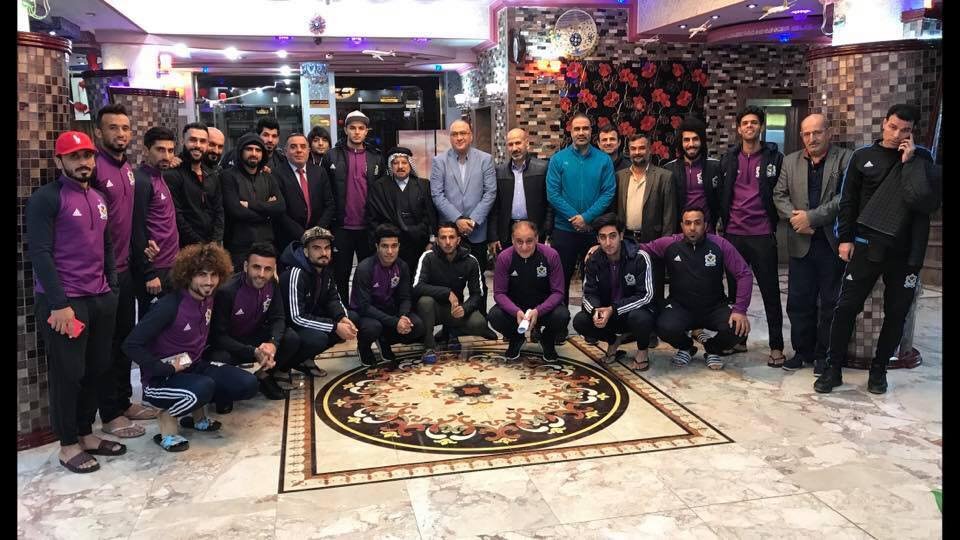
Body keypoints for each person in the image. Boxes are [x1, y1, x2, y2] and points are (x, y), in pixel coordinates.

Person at [815, 104, 941, 395]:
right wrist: (845, 239)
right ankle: (833, 369)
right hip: (866, 245)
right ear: (884, 123)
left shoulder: (922, 158)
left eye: (905, 130)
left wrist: (909, 162)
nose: (897, 135)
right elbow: (848, 201)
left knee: (896, 313)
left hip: (905, 252)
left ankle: (879, 370)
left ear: (913, 131)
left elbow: (926, 203)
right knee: (846, 307)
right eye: (893, 127)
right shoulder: (863, 157)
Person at [28, 131, 123, 473]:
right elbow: (40, 253)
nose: (84, 162)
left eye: (88, 155)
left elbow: (107, 246)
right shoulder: (46, 199)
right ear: (60, 161)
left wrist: (111, 288)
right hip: (65, 303)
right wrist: (58, 303)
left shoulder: (98, 196)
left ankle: (86, 433)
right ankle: (68, 444)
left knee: (97, 367)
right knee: (69, 374)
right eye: (75, 157)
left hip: (99, 297)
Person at [123, 243, 258, 452]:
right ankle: (166, 421)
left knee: (247, 383)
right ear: (188, 276)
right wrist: (163, 368)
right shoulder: (169, 305)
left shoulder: (208, 298)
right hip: (160, 379)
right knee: (202, 388)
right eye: (202, 275)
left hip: (193, 367)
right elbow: (130, 344)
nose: (209, 281)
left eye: (214, 275)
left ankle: (197, 418)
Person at [90, 104, 156, 439]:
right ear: (98, 132)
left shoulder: (127, 168)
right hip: (102, 274)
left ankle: (124, 401)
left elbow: (129, 220)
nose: (120, 133)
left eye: (125, 128)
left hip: (126, 269)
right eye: (112, 127)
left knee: (124, 341)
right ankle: (110, 414)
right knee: (106, 346)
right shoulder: (94, 169)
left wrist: (142, 248)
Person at [772, 114, 853, 373]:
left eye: (817, 132)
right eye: (806, 134)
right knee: (799, 301)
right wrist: (797, 219)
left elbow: (845, 197)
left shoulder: (845, 159)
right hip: (800, 242)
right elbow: (779, 195)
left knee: (830, 302)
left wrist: (812, 218)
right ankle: (801, 351)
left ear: (828, 132)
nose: (812, 138)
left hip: (831, 243)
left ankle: (823, 355)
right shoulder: (790, 161)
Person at [637, 207, 753, 370]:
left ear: (705, 225)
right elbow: (641, 248)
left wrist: (740, 310)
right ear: (682, 226)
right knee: (663, 326)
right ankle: (686, 347)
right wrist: (607, 247)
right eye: (688, 223)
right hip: (680, 307)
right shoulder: (670, 243)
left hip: (714, 307)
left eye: (697, 223)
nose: (692, 228)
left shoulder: (720, 244)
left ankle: (712, 349)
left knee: (739, 328)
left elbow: (744, 274)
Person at [719, 105, 785, 366]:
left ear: (761, 127)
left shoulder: (774, 158)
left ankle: (776, 346)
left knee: (770, 292)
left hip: (762, 233)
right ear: (738, 128)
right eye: (745, 123)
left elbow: (780, 192)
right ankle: (739, 340)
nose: (749, 126)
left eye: (754, 123)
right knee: (736, 293)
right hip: (734, 233)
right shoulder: (728, 159)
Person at [546, 113, 617, 325]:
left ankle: (591, 324)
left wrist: (586, 217)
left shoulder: (603, 160)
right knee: (560, 280)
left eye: (585, 128)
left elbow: (608, 192)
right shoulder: (558, 159)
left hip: (593, 231)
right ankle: (559, 325)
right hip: (564, 230)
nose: (581, 133)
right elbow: (553, 194)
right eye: (577, 129)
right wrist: (574, 218)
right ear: (570, 131)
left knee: (595, 280)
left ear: (591, 131)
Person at [209, 243, 299, 401]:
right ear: (246, 266)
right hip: (230, 344)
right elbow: (218, 337)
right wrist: (252, 351)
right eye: (256, 267)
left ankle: (264, 375)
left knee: (291, 338)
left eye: (268, 269)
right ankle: (225, 391)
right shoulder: (227, 291)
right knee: (219, 358)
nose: (262, 274)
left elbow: (278, 318)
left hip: (254, 336)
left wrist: (272, 343)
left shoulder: (272, 283)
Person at [573, 214, 656, 371]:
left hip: (632, 312)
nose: (608, 242)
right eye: (603, 237)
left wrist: (614, 309)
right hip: (608, 313)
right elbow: (588, 294)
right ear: (597, 239)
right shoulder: (593, 259)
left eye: (612, 236)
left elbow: (646, 295)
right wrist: (596, 310)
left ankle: (642, 350)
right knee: (580, 320)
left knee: (641, 317)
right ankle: (613, 341)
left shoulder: (640, 257)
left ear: (621, 236)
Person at [413, 222, 495, 363]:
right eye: (443, 238)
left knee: (478, 323)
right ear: (437, 240)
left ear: (458, 240)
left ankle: (451, 333)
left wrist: (465, 308)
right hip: (433, 309)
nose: (447, 242)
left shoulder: (470, 260)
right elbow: (417, 286)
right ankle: (429, 345)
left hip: (455, 309)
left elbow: (477, 294)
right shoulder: (427, 257)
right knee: (425, 301)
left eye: (451, 237)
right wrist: (446, 293)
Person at [279, 226, 359, 371]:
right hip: (288, 327)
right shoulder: (295, 273)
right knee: (319, 339)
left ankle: (306, 358)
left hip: (309, 316)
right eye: (316, 248)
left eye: (327, 248)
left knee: (351, 318)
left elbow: (333, 298)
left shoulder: (325, 268)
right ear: (305, 251)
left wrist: (342, 318)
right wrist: (334, 326)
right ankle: (281, 367)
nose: (324, 253)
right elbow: (296, 317)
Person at [488, 221, 570, 361]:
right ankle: (516, 338)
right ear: (512, 240)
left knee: (562, 315)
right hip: (516, 307)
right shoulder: (504, 257)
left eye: (529, 241)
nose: (524, 247)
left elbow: (558, 292)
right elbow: (499, 293)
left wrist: (538, 311)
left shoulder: (551, 255)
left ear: (537, 239)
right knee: (494, 316)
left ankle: (547, 339)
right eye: (519, 242)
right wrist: (516, 311)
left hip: (543, 307)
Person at [324, 110, 383, 302]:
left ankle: (364, 310)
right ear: (346, 130)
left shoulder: (376, 157)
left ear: (366, 131)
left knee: (367, 275)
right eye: (353, 128)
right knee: (340, 274)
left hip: (368, 227)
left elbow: (381, 193)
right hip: (341, 227)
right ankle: (343, 312)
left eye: (361, 128)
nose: (357, 132)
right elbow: (324, 191)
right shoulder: (331, 156)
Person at [349, 225, 426, 366]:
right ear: (377, 246)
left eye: (394, 246)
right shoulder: (365, 268)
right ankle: (363, 347)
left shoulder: (402, 266)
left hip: (389, 310)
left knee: (417, 326)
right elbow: (365, 307)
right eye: (385, 246)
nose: (390, 251)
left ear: (399, 246)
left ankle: (384, 340)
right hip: (366, 314)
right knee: (373, 328)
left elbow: (405, 297)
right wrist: (395, 322)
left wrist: (403, 316)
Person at [430, 119, 497, 277]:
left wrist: (473, 221)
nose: (459, 138)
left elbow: (490, 192)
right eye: (454, 134)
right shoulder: (439, 162)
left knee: (478, 278)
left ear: (471, 136)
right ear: (450, 138)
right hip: (449, 232)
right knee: (447, 279)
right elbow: (437, 194)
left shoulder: (485, 159)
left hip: (477, 231)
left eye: (463, 133)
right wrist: (458, 219)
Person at [220, 132, 286, 270]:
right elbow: (235, 211)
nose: (254, 153)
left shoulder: (268, 177)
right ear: (241, 151)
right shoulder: (228, 176)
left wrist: (250, 205)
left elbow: (280, 207)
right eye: (249, 149)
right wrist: (268, 213)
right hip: (239, 248)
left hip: (267, 245)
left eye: (258, 150)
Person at [132, 127, 180, 315]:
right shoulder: (142, 181)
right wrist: (149, 272)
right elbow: (137, 228)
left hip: (171, 265)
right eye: (160, 150)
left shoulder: (160, 176)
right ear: (146, 150)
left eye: (170, 150)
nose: (166, 156)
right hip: (155, 270)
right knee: (152, 323)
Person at [366, 146, 436, 273]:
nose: (400, 166)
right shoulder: (379, 187)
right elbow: (373, 218)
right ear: (390, 166)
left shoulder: (423, 185)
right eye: (395, 163)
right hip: (391, 245)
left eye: (404, 162)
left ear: (410, 165)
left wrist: (431, 241)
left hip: (418, 243)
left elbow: (430, 215)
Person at [488, 128, 553, 252]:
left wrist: (547, 231)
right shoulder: (500, 172)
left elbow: (549, 204)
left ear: (527, 143)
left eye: (518, 143)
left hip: (535, 231)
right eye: (510, 144)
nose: (514, 148)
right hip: (507, 233)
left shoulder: (542, 168)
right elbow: (495, 207)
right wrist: (493, 236)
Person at [165, 122, 224, 246]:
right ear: (183, 141)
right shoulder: (172, 173)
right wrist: (200, 244)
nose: (197, 145)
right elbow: (177, 216)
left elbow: (219, 211)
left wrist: (215, 242)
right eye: (192, 140)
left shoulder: (212, 175)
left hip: (212, 246)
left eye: (202, 141)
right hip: (185, 247)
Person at [273, 133, 335, 252]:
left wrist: (316, 231)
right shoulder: (276, 175)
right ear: (285, 152)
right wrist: (302, 234)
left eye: (303, 146)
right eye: (293, 147)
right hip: (289, 240)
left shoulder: (320, 172)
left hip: (318, 238)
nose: (299, 150)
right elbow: (279, 212)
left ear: (308, 150)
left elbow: (329, 204)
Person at [662, 117, 722, 233]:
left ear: (702, 141)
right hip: (679, 235)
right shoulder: (669, 169)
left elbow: (721, 201)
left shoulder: (715, 167)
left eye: (695, 139)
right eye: (686, 140)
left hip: (707, 233)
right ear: (681, 142)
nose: (691, 144)